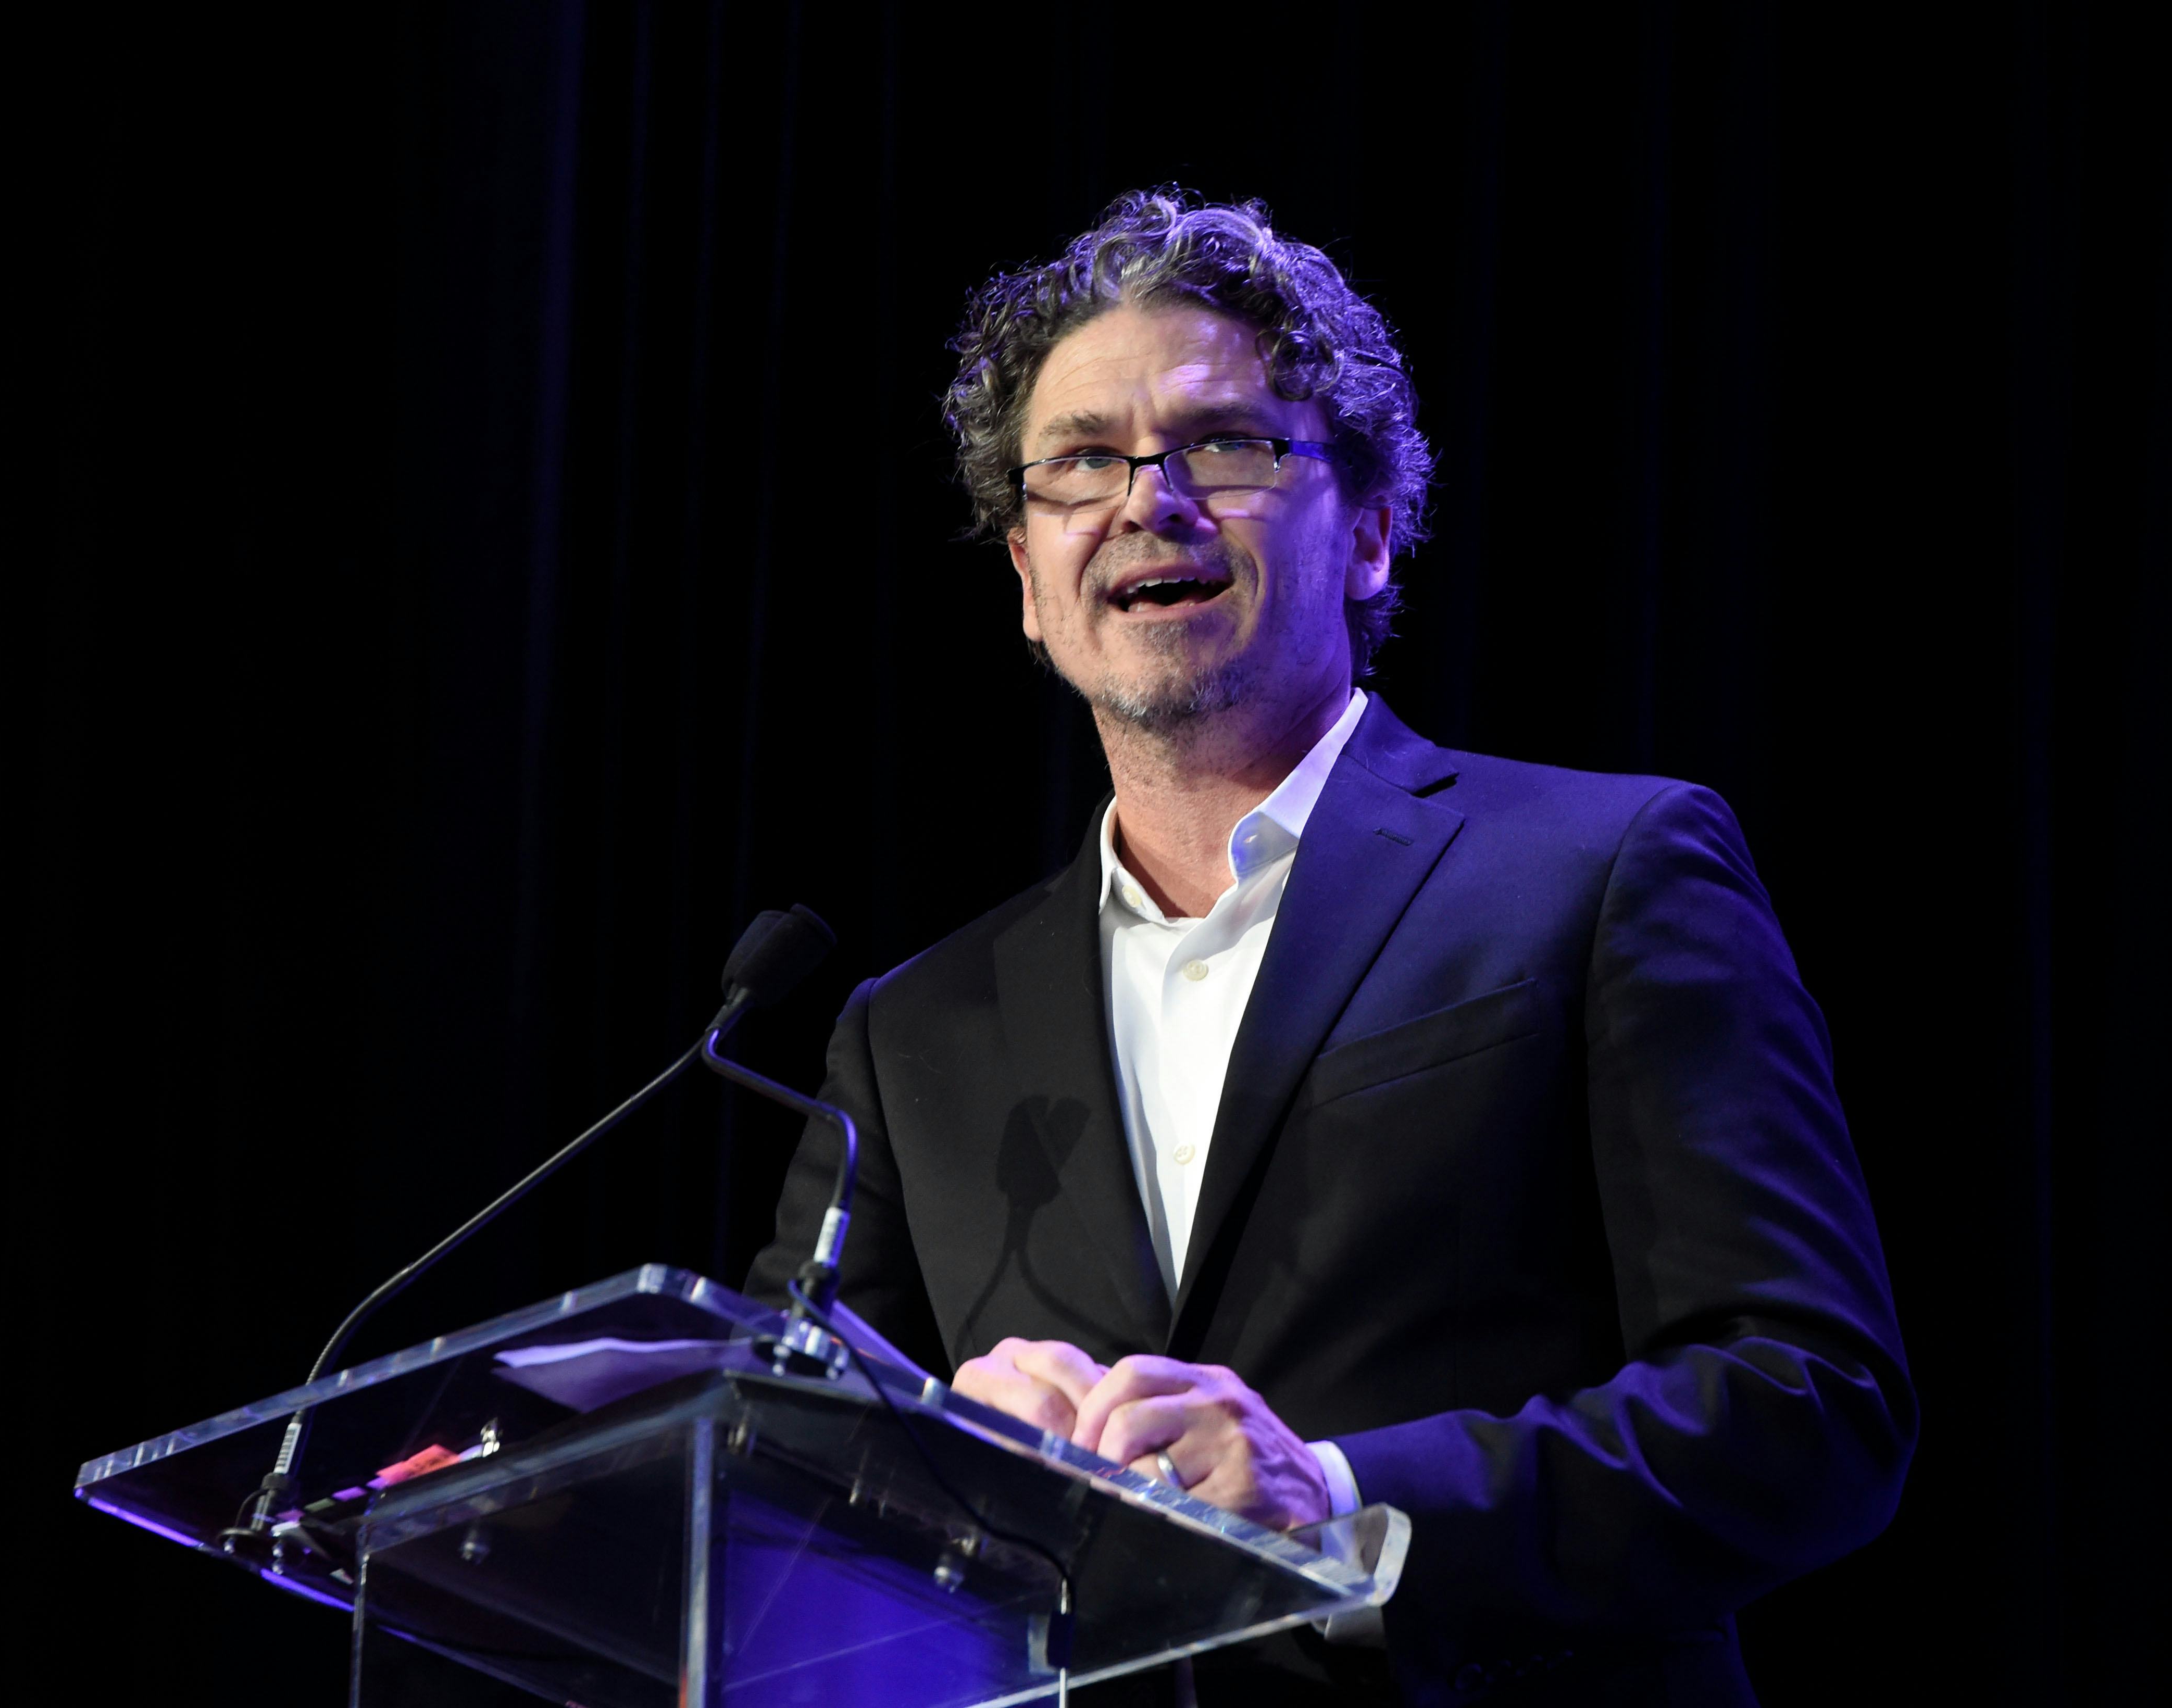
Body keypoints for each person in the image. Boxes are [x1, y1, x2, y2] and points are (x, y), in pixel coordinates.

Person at [746, 189, 1913, 1706]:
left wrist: (1339, 1501)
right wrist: (936, 1469)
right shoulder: (913, 1037)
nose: (1146, 500)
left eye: (1221, 444)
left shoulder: (1605, 871)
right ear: (1030, 584)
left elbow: (1810, 1405)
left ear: (1369, 531)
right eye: (1082, 462)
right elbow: (774, 1491)